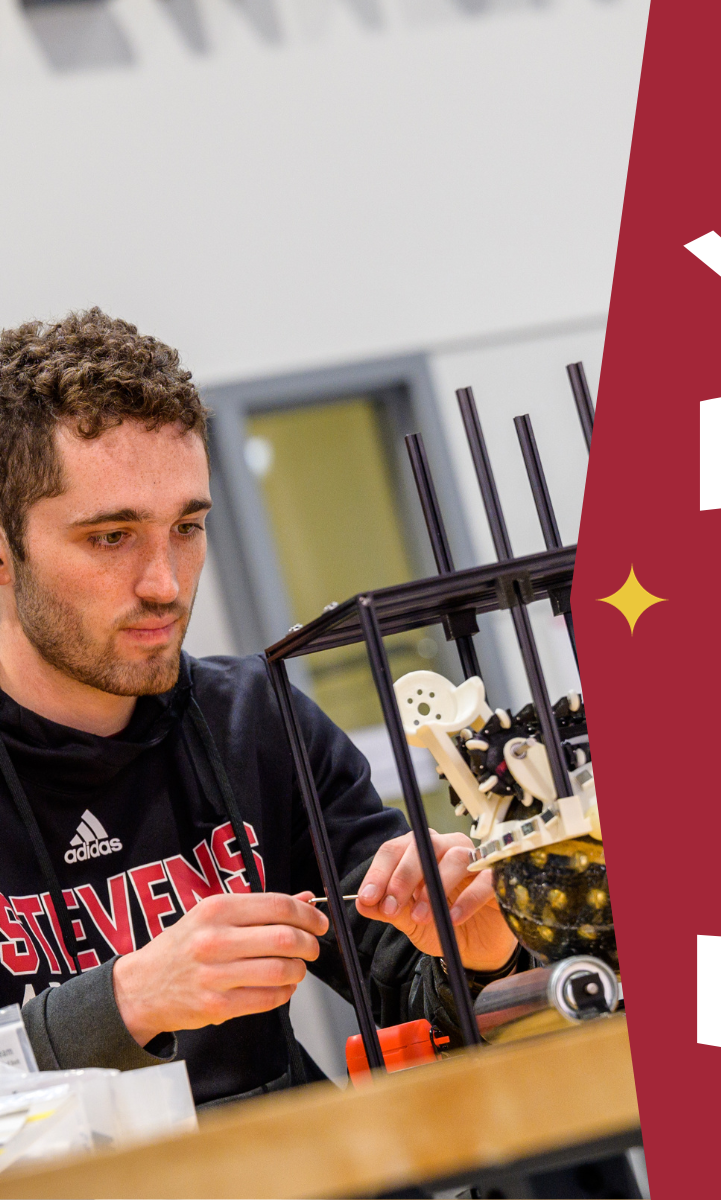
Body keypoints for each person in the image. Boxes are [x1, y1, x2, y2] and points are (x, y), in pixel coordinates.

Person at [0, 309, 526, 1105]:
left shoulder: (259, 721)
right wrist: (123, 1004)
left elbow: (417, 995)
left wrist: (477, 954)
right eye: (110, 537)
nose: (165, 584)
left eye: (187, 526)